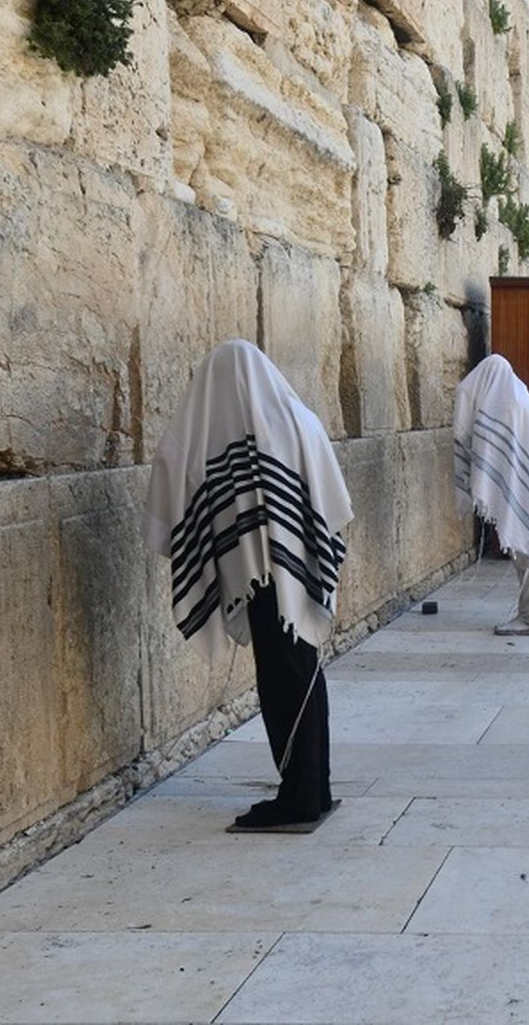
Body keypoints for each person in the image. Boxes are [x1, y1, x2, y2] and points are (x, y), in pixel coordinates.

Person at [143, 340, 352, 831]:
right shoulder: (300, 421)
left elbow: (174, 475)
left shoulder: (218, 439)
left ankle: (298, 798)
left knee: (280, 677)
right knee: (304, 669)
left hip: (258, 578)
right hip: (299, 569)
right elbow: (332, 503)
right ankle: (313, 787)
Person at [453, 355, 529, 636]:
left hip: (517, 487)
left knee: (525, 546)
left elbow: (486, 446)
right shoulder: (520, 397)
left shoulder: (504, 405)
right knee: (526, 544)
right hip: (526, 484)